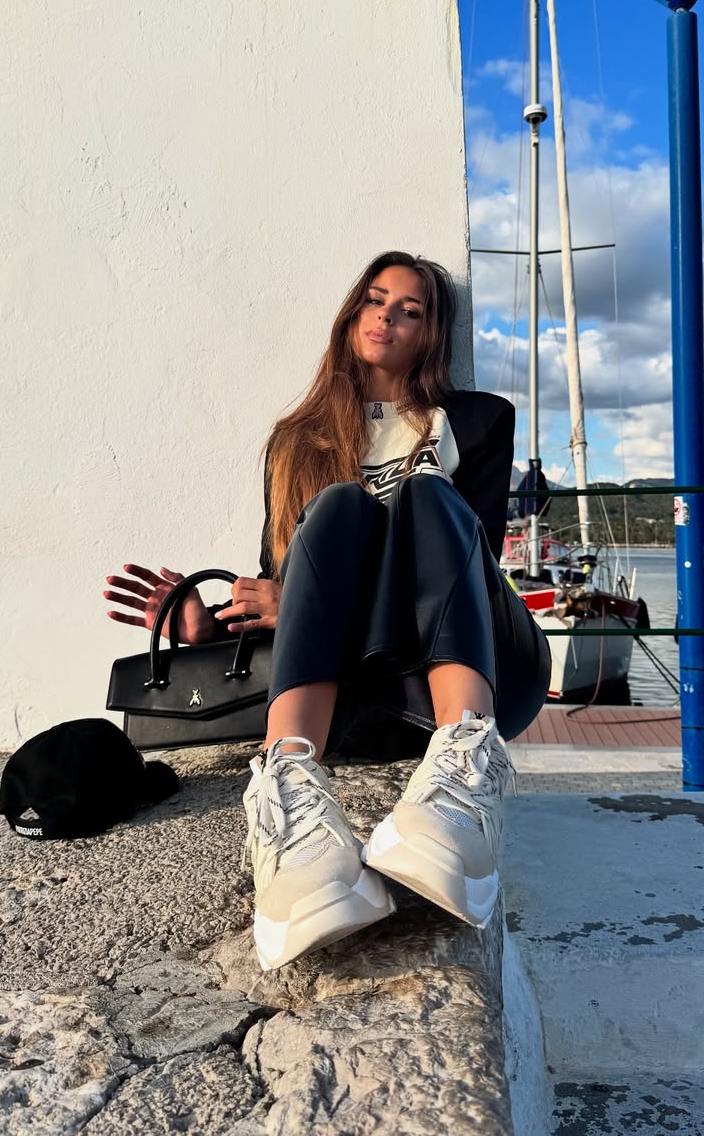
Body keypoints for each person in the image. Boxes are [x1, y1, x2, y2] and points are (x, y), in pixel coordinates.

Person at [103, 252, 551, 970]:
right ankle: (290, 804)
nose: (388, 317)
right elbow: (285, 585)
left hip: (473, 666)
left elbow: (475, 565)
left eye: (411, 310)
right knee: (338, 507)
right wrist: (207, 629)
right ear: (350, 317)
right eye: (375, 300)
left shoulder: (476, 420)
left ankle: (465, 772)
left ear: (431, 334)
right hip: (354, 698)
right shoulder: (295, 442)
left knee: (429, 496)